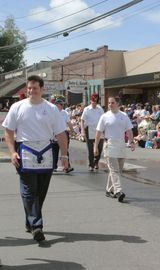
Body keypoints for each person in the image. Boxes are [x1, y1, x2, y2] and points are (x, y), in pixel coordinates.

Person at [2, 75, 68, 242]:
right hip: (24, 151)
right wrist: (12, 152)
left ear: (42, 89)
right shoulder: (17, 107)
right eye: (29, 88)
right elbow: (8, 131)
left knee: (40, 191)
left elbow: (61, 133)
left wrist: (64, 155)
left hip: (46, 151)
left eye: (35, 88)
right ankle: (37, 225)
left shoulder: (52, 109)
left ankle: (29, 222)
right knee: (29, 189)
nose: (31, 91)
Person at [94, 97, 135, 202]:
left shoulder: (124, 116)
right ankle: (118, 191)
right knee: (114, 170)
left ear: (118, 104)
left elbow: (129, 130)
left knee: (118, 170)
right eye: (109, 103)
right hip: (110, 144)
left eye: (112, 103)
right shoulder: (104, 116)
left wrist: (132, 142)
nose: (110, 105)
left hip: (121, 144)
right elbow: (98, 132)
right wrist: (95, 146)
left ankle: (109, 189)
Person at [81, 93, 104, 171]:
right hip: (89, 129)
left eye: (95, 101)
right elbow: (82, 120)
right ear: (90, 101)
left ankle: (96, 161)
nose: (94, 103)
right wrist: (82, 131)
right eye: (93, 101)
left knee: (99, 148)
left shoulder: (100, 109)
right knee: (90, 149)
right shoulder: (86, 109)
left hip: (99, 130)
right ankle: (91, 164)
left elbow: (104, 120)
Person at [53, 99, 74, 173]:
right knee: (55, 150)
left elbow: (68, 122)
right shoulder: (52, 112)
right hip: (55, 133)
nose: (62, 106)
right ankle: (54, 166)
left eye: (62, 105)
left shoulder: (64, 112)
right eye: (60, 104)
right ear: (56, 105)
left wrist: (72, 130)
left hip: (64, 133)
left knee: (65, 150)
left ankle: (66, 166)